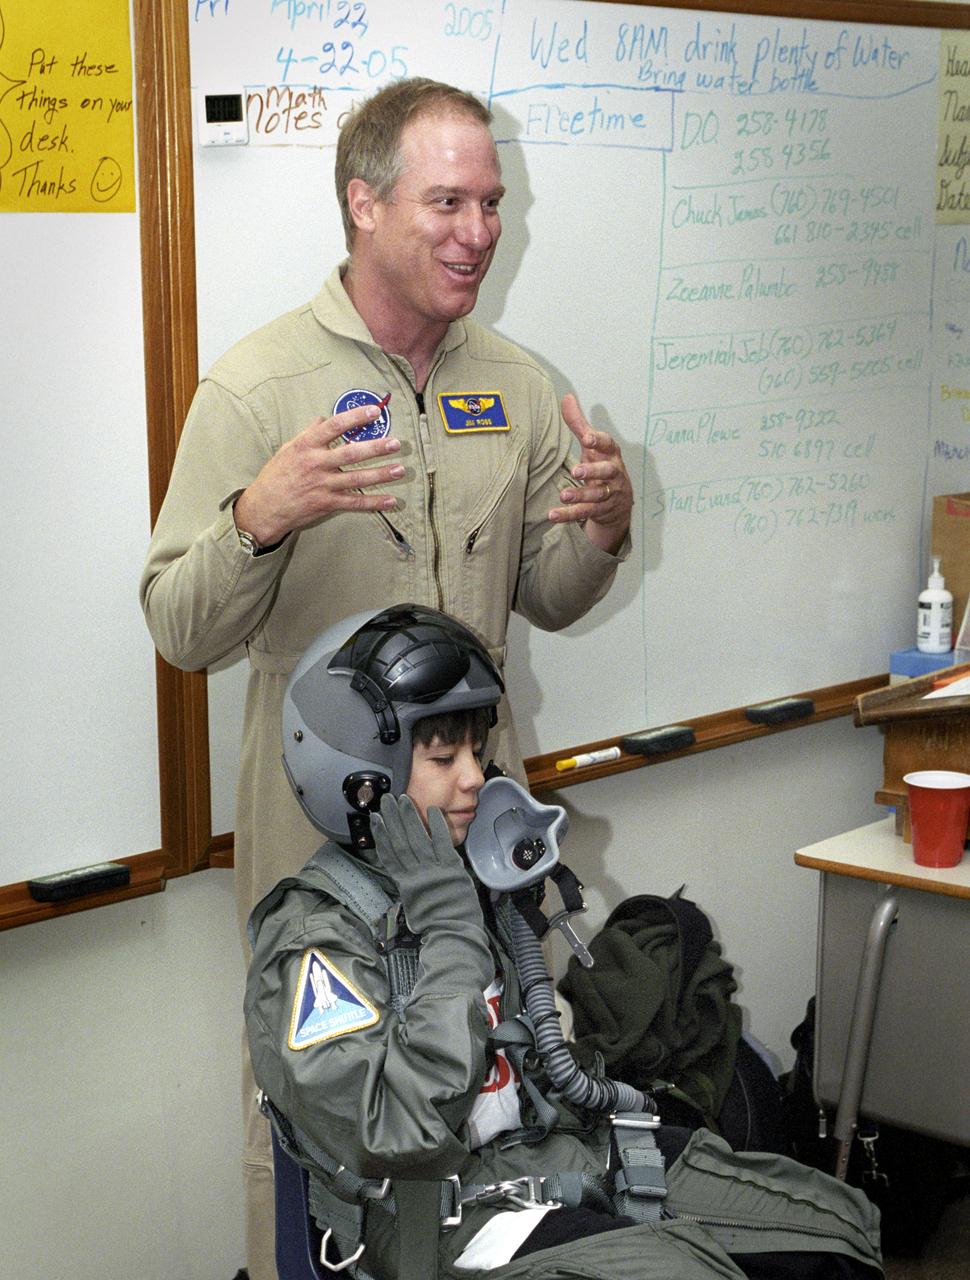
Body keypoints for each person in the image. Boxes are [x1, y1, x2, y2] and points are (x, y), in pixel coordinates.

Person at [139, 78, 633, 1276]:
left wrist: (605, 528)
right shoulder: (258, 387)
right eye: (447, 201)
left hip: (477, 806)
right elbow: (178, 624)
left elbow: (549, 595)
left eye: (492, 202)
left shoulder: (516, 385)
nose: (479, 230)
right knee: (323, 1103)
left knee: (493, 1074)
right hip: (320, 842)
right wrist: (258, 516)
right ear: (363, 203)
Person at [245, 604, 884, 1280]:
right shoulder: (315, 944)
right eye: (442, 756)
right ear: (361, 784)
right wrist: (450, 928)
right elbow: (393, 1133)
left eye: (474, 751)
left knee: (834, 1235)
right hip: (436, 1217)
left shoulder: (464, 874)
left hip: (547, 1153)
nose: (475, 778)